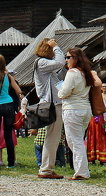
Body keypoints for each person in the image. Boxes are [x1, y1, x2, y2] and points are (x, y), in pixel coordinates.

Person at [58, 47, 94, 180]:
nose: (66, 60)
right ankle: (83, 169)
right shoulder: (86, 73)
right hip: (85, 109)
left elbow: (64, 92)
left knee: (74, 141)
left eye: (68, 57)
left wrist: (59, 91)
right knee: (78, 140)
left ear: (75, 59)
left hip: (73, 109)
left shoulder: (72, 73)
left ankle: (82, 172)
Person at [33, 37, 66, 179]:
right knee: (52, 136)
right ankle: (46, 169)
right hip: (52, 104)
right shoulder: (42, 62)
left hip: (50, 103)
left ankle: (47, 167)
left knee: (52, 136)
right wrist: (56, 47)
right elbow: (60, 62)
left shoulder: (42, 64)